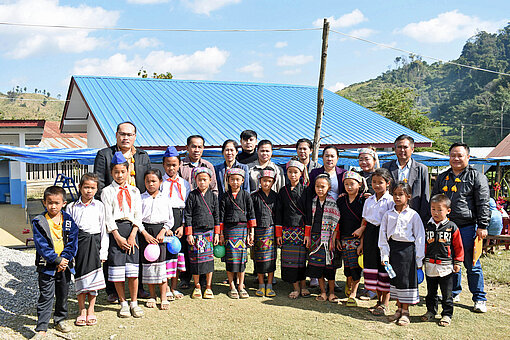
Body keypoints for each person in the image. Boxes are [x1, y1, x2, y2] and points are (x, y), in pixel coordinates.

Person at [94, 121, 151, 302]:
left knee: (137, 251)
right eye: (122, 134)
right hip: (112, 209)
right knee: (112, 252)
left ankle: (139, 287)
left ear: (135, 136)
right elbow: (98, 181)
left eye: (130, 134)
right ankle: (111, 290)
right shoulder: (104, 154)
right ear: (116, 135)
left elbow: (148, 180)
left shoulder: (143, 156)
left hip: (136, 210)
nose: (126, 137)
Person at [431, 142, 490, 313]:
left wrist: (483, 225)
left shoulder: (476, 176)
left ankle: (479, 298)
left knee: (472, 264)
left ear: (468, 157)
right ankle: (453, 292)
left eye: (460, 155)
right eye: (452, 155)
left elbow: (483, 203)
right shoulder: (443, 177)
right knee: (450, 262)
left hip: (468, 227)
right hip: (446, 227)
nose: (456, 158)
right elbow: (435, 200)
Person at [101, 151, 144, 318]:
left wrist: (133, 234)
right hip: (116, 233)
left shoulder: (134, 191)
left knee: (133, 270)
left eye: (123, 171)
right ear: (111, 172)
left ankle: (134, 301)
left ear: (128, 171)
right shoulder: (107, 192)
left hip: (132, 230)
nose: (119, 175)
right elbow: (108, 216)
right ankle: (123, 302)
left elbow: (138, 215)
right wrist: (117, 237)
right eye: (116, 172)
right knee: (118, 270)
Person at [32, 186, 79, 336]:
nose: (53, 206)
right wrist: (56, 259)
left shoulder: (69, 220)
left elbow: (72, 242)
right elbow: (42, 246)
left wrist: (64, 259)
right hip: (47, 266)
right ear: (44, 203)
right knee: (46, 295)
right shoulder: (39, 222)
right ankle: (41, 327)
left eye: (56, 203)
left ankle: (60, 320)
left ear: (63, 203)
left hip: (64, 266)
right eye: (50, 202)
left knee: (63, 294)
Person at [379, 182, 425, 326]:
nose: (397, 197)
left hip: (408, 253)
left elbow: (420, 238)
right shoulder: (388, 215)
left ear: (408, 197)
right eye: (395, 194)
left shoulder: (413, 215)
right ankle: (398, 309)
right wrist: (385, 256)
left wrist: (419, 261)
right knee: (396, 280)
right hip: (393, 251)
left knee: (406, 282)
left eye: (401, 194)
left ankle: (405, 312)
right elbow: (383, 237)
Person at [66, 173, 107, 327]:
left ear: (97, 189)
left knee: (94, 278)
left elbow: (103, 229)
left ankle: (91, 309)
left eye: (92, 188)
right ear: (80, 188)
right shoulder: (71, 207)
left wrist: (103, 251)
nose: (89, 191)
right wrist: (69, 252)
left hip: (95, 244)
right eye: (86, 187)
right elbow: (68, 232)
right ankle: (81, 309)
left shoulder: (100, 206)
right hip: (79, 245)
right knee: (80, 278)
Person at [421, 194, 464, 327]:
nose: (436, 212)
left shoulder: (452, 227)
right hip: (430, 264)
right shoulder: (427, 225)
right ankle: (431, 311)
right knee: (431, 292)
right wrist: (421, 259)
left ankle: (447, 314)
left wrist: (458, 262)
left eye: (440, 209)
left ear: (448, 211)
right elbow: (424, 244)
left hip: (446, 266)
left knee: (447, 293)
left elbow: (458, 246)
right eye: (433, 209)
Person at [360, 167, 394, 316]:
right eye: (374, 182)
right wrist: (361, 243)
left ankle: (386, 302)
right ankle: (378, 300)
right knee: (373, 268)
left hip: (385, 236)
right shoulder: (369, 200)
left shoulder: (391, 201)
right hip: (370, 235)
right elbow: (364, 221)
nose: (376, 185)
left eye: (380, 182)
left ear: (388, 183)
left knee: (385, 269)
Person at [219, 168, 256, 299]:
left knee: (242, 259)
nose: (235, 182)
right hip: (229, 231)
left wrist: (251, 232)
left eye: (237, 179)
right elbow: (221, 217)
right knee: (230, 260)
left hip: (242, 230)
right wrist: (221, 234)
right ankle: (232, 286)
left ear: (242, 181)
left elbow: (251, 214)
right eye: (232, 179)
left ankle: (241, 285)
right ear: (228, 181)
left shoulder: (246, 195)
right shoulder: (224, 196)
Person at [275, 159, 309, 299]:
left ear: (301, 173)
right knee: (290, 260)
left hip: (302, 230)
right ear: (286, 173)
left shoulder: (307, 190)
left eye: (296, 172)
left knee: (302, 260)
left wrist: (307, 233)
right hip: (287, 230)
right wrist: (278, 234)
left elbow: (309, 212)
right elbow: (278, 213)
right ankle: (295, 287)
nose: (293, 175)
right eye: (290, 172)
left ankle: (303, 286)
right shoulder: (283, 191)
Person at [184, 167, 220, 299]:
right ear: (195, 181)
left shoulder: (214, 196)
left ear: (210, 180)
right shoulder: (192, 195)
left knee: (208, 260)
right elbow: (187, 215)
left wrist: (217, 233)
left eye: (205, 179)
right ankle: (197, 286)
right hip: (195, 233)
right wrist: (189, 234)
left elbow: (217, 216)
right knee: (195, 261)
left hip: (209, 232)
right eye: (199, 180)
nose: (202, 182)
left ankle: (209, 287)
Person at [304, 174, 341, 303]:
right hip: (315, 238)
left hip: (328, 238)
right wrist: (308, 236)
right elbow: (309, 221)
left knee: (329, 268)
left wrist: (333, 240)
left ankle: (331, 293)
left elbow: (336, 223)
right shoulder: (313, 202)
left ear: (329, 187)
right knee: (317, 267)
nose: (320, 189)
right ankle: (323, 292)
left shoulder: (332, 202)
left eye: (323, 187)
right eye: (317, 186)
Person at [140, 169, 173, 310]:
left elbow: (170, 220)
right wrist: (145, 234)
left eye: (154, 181)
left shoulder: (165, 198)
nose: (150, 184)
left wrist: (163, 230)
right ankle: (152, 296)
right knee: (149, 267)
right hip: (146, 234)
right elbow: (137, 219)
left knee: (161, 267)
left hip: (161, 234)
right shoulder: (141, 198)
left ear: (160, 182)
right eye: (148, 181)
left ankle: (164, 297)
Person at [160, 146, 188, 298]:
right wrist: (166, 227)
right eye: (168, 164)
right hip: (165, 221)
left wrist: (183, 226)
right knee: (164, 256)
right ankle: (163, 287)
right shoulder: (160, 183)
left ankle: (174, 287)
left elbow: (187, 207)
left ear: (179, 165)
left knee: (177, 254)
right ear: (164, 165)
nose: (171, 168)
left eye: (174, 164)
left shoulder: (185, 184)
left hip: (179, 220)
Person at [382, 134, 430, 222]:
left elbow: (425, 195)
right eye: (399, 147)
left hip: (414, 216)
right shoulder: (387, 167)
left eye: (405, 147)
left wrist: (423, 218)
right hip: (391, 215)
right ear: (395, 149)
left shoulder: (421, 169)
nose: (402, 150)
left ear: (412, 149)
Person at [336, 171, 366, 307]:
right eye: (346, 184)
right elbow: (337, 221)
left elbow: (366, 220)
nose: (349, 187)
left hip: (357, 238)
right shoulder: (341, 200)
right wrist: (337, 238)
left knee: (355, 266)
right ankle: (349, 286)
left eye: (352, 184)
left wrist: (362, 242)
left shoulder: (364, 200)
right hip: (344, 237)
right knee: (347, 265)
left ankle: (354, 292)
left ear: (359, 185)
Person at [251, 169, 278, 297]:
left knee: (271, 259)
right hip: (258, 231)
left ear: (273, 182)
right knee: (259, 259)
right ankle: (261, 284)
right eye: (264, 181)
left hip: (271, 230)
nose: (266, 183)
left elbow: (279, 215)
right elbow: (251, 215)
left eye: (269, 181)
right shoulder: (254, 196)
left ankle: (270, 284)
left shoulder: (276, 196)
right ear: (259, 181)